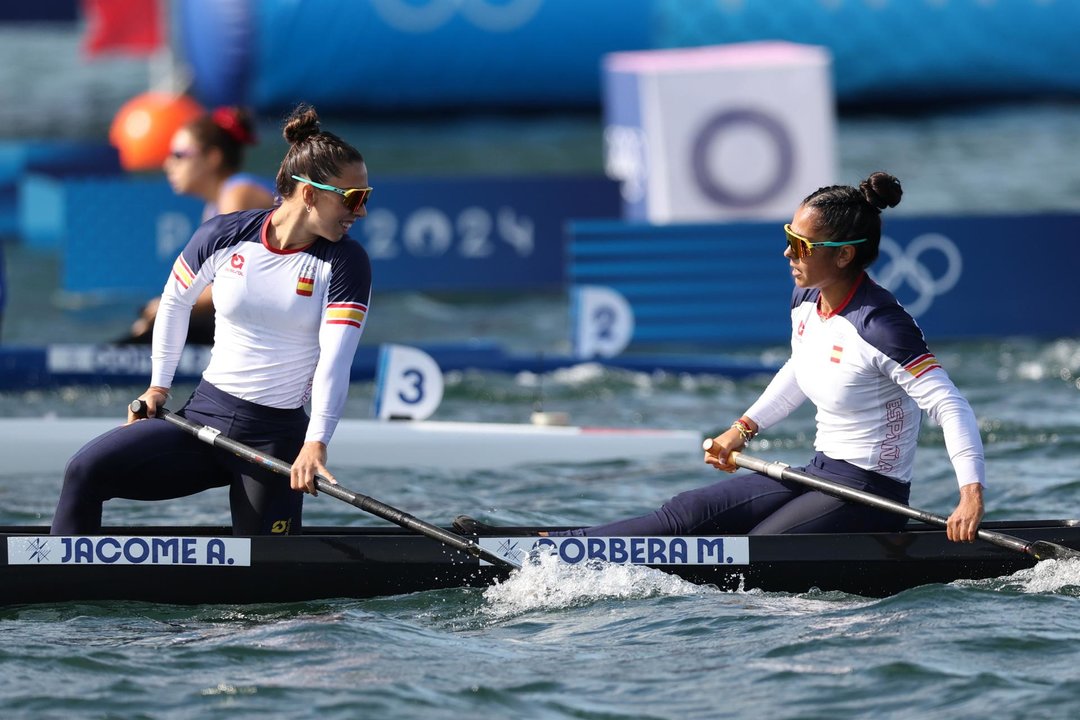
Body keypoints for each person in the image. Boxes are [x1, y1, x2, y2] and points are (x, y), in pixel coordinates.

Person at [456, 172, 985, 543]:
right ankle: (552, 544)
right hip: (820, 471)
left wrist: (970, 497)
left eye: (801, 244)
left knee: (758, 548)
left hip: (872, 495)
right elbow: (802, 369)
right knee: (685, 513)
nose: (787, 253)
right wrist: (743, 428)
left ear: (844, 254)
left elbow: (951, 406)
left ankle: (558, 550)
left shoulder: (881, 325)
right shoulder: (806, 301)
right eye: (788, 237)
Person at [51, 102, 373, 536]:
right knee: (83, 471)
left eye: (365, 198)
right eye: (353, 198)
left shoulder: (345, 262)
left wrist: (315, 443)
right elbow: (174, 302)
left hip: (274, 440)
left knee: (270, 593)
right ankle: (70, 587)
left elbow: (336, 361)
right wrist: (158, 386)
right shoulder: (225, 234)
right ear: (310, 194)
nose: (361, 212)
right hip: (203, 420)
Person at [126, 106, 278, 344]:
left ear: (212, 158)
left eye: (178, 155)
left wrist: (168, 307)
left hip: (282, 319)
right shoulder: (214, 207)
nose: (168, 164)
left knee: (158, 325)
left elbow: (234, 283)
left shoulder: (237, 193)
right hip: (263, 314)